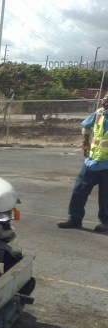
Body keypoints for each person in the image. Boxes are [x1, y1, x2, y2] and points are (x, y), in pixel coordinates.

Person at [57, 93, 108, 232]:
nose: (105, 99)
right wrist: (85, 142)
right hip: (92, 162)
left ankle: (106, 223)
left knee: (105, 197)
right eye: (105, 97)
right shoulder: (99, 113)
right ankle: (74, 219)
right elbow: (86, 125)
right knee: (79, 191)